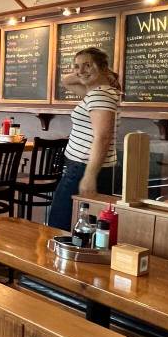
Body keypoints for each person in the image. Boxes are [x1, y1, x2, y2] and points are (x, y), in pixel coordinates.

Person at [47, 47, 121, 230]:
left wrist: (89, 176)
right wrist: (93, 71)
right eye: (77, 66)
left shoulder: (99, 95)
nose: (80, 71)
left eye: (88, 65)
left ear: (102, 67)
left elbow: (103, 137)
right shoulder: (100, 92)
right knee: (83, 225)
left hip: (83, 168)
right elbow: (66, 80)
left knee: (60, 224)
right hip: (89, 167)